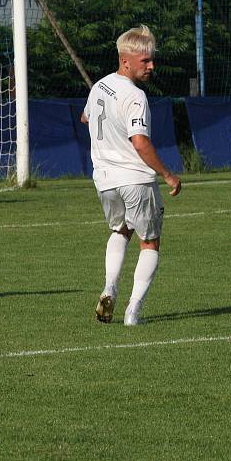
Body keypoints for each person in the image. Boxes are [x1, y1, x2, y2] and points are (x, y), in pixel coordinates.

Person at [82, 25, 181, 326]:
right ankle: (133, 311)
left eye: (152, 60)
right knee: (150, 242)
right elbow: (140, 141)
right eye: (145, 61)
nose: (151, 66)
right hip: (135, 179)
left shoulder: (100, 85)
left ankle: (110, 287)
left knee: (120, 231)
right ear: (126, 61)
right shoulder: (135, 96)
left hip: (105, 180)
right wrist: (166, 174)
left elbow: (85, 117)